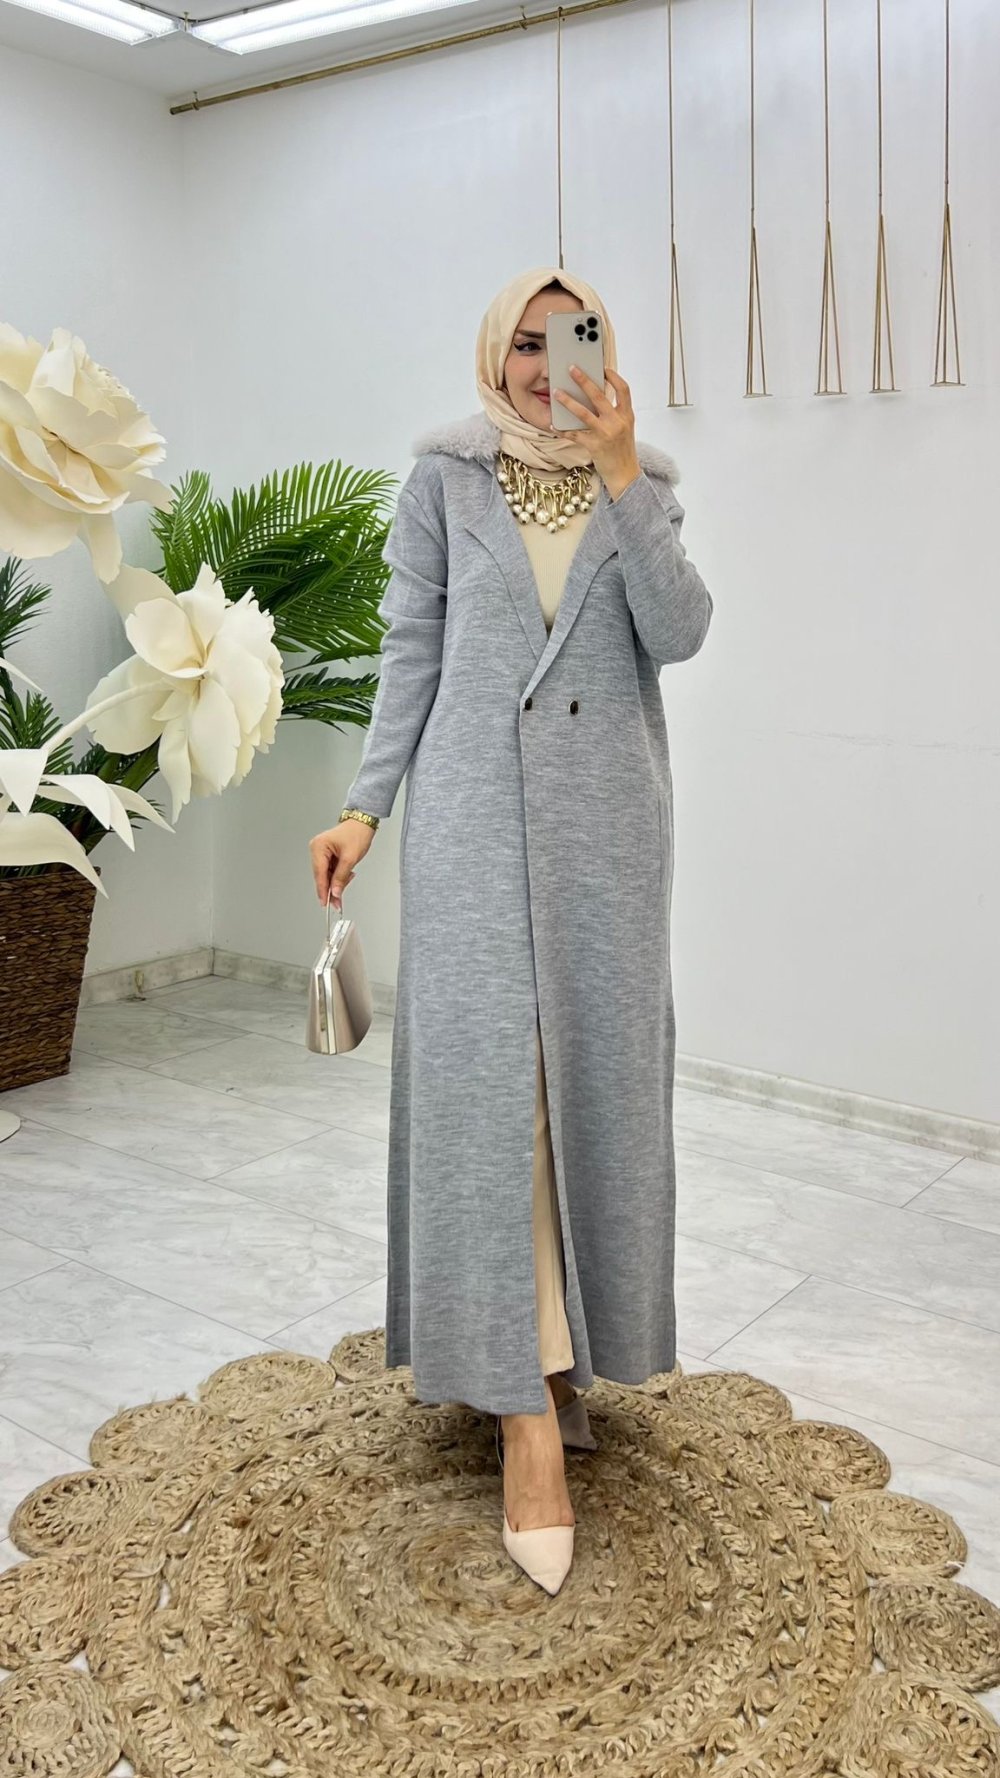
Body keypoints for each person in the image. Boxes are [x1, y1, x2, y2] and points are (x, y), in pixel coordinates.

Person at [309, 266, 713, 1595]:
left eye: (571, 339)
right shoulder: (443, 480)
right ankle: (526, 1414)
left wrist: (622, 475)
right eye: (527, 343)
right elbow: (409, 656)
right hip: (473, 824)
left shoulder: (644, 482)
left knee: (583, 1088)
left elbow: (680, 632)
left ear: (604, 350)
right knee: (495, 1100)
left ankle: (558, 1352)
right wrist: (363, 809)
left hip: (607, 838)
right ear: (495, 353)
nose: (547, 366)